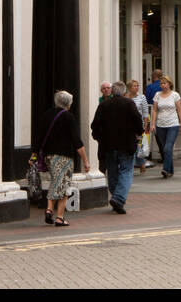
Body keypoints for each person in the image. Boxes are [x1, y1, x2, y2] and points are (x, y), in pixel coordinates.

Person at [38, 89, 89, 227]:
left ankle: (49, 210)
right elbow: (77, 141)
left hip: (48, 156)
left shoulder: (46, 115)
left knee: (55, 181)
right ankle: (60, 217)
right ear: (69, 104)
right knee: (64, 185)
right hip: (64, 156)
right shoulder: (68, 117)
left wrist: (34, 154)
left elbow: (39, 137)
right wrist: (85, 161)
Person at [90, 82, 143, 214]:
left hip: (108, 145)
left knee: (112, 173)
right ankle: (118, 198)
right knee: (126, 171)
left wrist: (98, 138)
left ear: (112, 92)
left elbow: (95, 125)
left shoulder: (104, 105)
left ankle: (116, 199)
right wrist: (139, 133)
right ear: (124, 92)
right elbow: (138, 121)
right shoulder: (129, 104)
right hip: (127, 144)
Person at [152, 75, 181, 178]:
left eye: (165, 83)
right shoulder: (157, 95)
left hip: (173, 124)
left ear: (170, 84)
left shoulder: (175, 95)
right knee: (164, 149)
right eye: (161, 83)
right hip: (160, 124)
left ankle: (165, 169)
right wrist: (153, 124)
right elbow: (154, 110)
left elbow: (179, 110)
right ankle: (170, 171)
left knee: (167, 147)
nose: (163, 85)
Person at [127, 78, 151, 173]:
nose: (136, 88)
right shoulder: (126, 98)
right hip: (128, 125)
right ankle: (139, 163)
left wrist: (145, 125)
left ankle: (139, 163)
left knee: (137, 145)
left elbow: (145, 112)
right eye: (134, 86)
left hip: (138, 125)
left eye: (137, 86)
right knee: (132, 145)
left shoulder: (142, 97)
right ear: (129, 88)